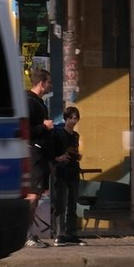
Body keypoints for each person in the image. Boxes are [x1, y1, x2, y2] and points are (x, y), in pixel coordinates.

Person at [25, 68, 55, 248]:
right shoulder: (30, 102)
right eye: (49, 82)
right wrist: (44, 127)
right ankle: (26, 234)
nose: (50, 85)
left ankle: (29, 233)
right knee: (32, 195)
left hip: (40, 155)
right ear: (42, 83)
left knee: (36, 195)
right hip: (34, 155)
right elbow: (25, 131)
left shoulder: (38, 102)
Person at [51, 105, 83, 245]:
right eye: (71, 118)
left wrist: (77, 155)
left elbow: (74, 149)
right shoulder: (58, 133)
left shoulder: (76, 135)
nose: (73, 121)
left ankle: (71, 233)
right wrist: (57, 158)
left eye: (76, 118)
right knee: (60, 203)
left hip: (73, 170)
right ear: (65, 118)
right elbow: (52, 150)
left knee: (72, 203)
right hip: (62, 171)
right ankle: (59, 233)